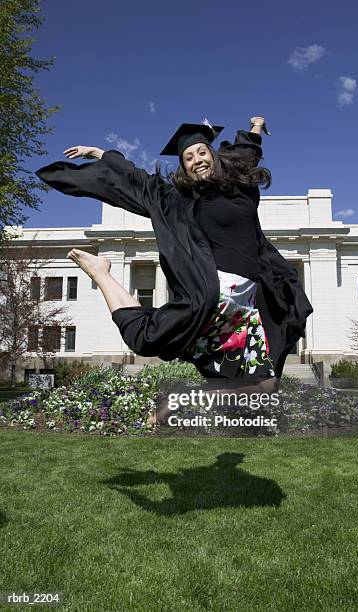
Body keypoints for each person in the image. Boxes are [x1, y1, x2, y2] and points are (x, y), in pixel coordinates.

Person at [35, 117, 313, 423]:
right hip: (212, 295)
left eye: (201, 153)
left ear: (213, 154)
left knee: (264, 384)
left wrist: (257, 126)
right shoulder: (181, 201)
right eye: (188, 158)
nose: (197, 161)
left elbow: (248, 148)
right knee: (146, 339)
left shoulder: (242, 183)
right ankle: (101, 272)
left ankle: (181, 401)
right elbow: (139, 181)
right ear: (185, 167)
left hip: (245, 307)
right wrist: (103, 155)